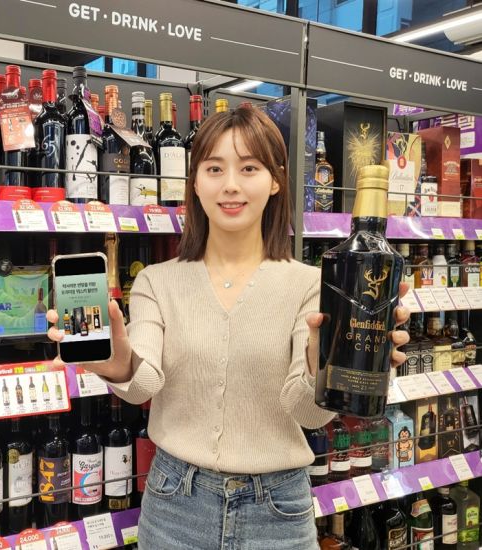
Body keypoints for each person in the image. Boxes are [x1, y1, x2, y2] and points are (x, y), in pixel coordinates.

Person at [47, 106, 410, 549]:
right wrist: (113, 359)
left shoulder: (313, 285)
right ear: (195, 182)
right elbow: (143, 384)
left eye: (249, 168)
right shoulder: (156, 282)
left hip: (278, 513)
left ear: (276, 180)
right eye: (214, 168)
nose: (231, 185)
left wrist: (325, 365)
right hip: (174, 506)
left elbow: (308, 413)